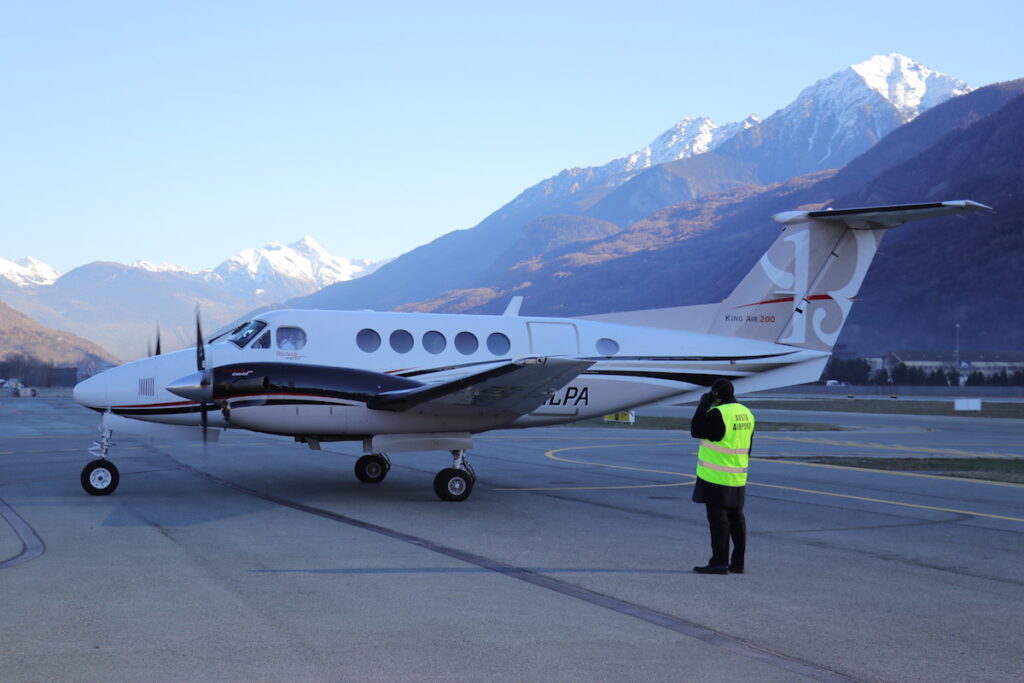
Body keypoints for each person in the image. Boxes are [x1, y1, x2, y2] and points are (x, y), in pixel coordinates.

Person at [690, 378, 754, 575]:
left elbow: (697, 430)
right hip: (737, 475)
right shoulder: (746, 413)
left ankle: (719, 562)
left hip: (716, 476)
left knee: (719, 521)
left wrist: (702, 406)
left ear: (716, 394)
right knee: (736, 519)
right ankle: (738, 563)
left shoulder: (718, 413)